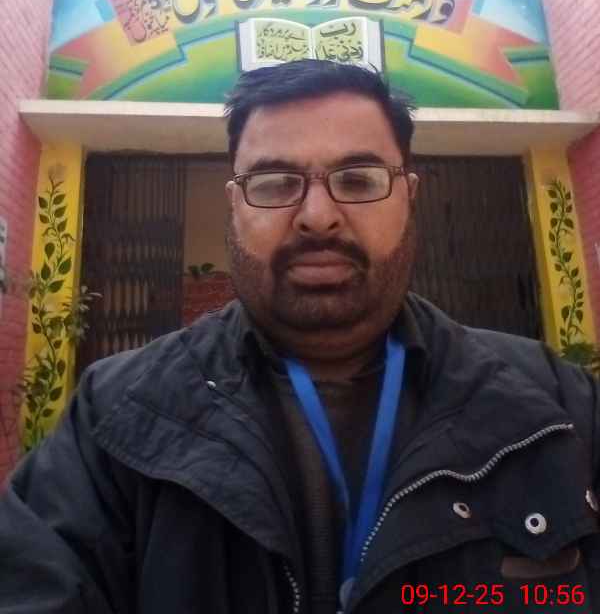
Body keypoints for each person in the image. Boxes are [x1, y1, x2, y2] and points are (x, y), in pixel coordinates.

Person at [1, 58, 600, 613]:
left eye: (359, 180)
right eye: (275, 182)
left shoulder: (554, 407)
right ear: (235, 205)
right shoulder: (118, 415)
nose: (317, 216)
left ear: (409, 197)